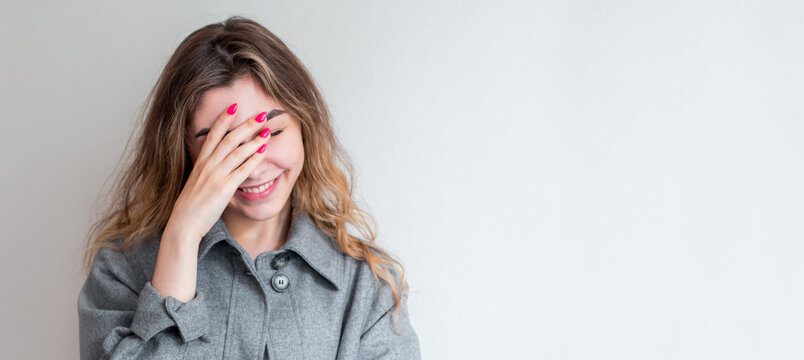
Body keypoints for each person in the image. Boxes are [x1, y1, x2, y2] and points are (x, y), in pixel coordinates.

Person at [77, 16, 420, 359]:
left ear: (305, 127)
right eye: (222, 144)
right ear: (183, 151)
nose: (253, 165)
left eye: (270, 133)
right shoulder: (120, 271)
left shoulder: (367, 287)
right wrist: (181, 240)